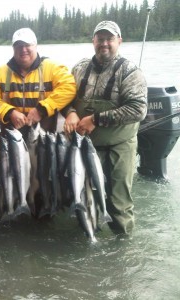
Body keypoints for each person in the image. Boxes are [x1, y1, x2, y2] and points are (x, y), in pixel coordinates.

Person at [63, 21, 148, 235]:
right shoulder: (79, 68)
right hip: (84, 147)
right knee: (83, 199)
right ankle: (87, 242)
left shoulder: (130, 71)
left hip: (118, 147)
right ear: (93, 41)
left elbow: (138, 109)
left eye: (109, 39)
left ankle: (122, 253)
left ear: (119, 41)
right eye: (100, 39)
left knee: (118, 204)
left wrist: (96, 119)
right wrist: (71, 112)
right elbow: (64, 98)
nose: (104, 44)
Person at [0, 27, 76, 135]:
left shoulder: (53, 68)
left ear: (36, 46)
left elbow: (69, 87)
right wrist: (9, 112)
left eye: (27, 45)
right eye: (19, 46)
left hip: (44, 141)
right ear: (13, 48)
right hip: (11, 140)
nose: (23, 49)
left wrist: (42, 110)